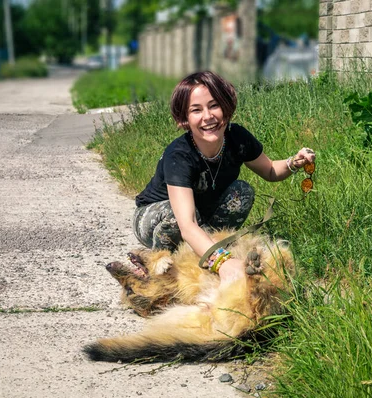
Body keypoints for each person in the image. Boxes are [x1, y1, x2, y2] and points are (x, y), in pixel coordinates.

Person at [133, 71, 315, 282]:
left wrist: (294, 162)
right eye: (196, 110)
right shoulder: (179, 155)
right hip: (154, 217)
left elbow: (271, 170)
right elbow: (187, 223)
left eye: (214, 105)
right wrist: (224, 263)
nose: (208, 116)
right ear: (184, 119)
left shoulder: (236, 137)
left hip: (200, 214)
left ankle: (207, 249)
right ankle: (156, 263)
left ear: (226, 107)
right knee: (177, 220)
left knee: (242, 192)